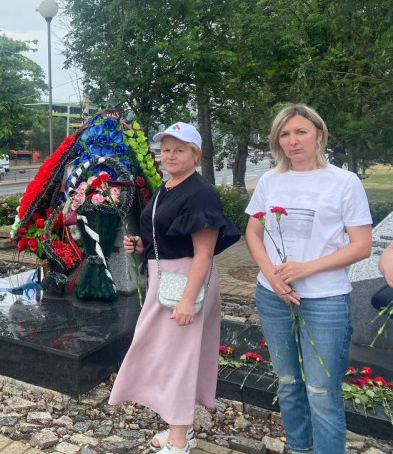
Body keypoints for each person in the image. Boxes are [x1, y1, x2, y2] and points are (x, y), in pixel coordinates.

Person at [245, 104, 372, 454]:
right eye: (284, 134)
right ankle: (300, 448)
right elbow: (253, 233)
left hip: (325, 301)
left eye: (300, 132)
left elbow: (361, 245)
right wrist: (271, 276)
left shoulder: (344, 182)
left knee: (321, 391)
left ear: (319, 134)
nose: (293, 141)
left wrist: (306, 268)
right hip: (273, 297)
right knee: (287, 383)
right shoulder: (270, 181)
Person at [109, 122, 239, 454]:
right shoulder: (167, 187)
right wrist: (143, 246)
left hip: (186, 282)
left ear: (196, 154)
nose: (170, 155)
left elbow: (204, 253)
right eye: (165, 149)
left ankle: (179, 443)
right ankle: (182, 430)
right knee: (169, 356)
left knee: (179, 359)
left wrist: (186, 300)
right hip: (166, 278)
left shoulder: (200, 193)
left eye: (179, 149)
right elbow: (168, 236)